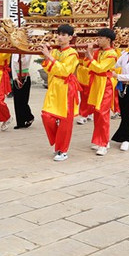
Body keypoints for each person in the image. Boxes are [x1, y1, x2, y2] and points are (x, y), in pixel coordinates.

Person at [41, 24, 80, 161]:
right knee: (46, 116)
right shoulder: (56, 51)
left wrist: (49, 57)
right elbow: (48, 68)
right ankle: (58, 142)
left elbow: (64, 71)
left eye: (64, 35)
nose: (60, 37)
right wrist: (48, 56)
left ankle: (62, 150)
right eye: (59, 34)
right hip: (54, 86)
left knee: (65, 121)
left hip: (66, 88)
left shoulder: (72, 54)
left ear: (70, 37)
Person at [85, 28, 118, 156]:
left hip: (105, 85)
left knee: (103, 114)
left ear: (108, 40)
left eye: (100, 38)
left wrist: (90, 57)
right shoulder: (98, 51)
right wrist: (89, 56)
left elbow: (100, 68)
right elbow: (88, 65)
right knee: (97, 113)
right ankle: (100, 140)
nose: (98, 40)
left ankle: (104, 143)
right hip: (97, 84)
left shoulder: (112, 54)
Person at [10, 53, 34, 129]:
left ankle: (29, 117)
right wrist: (15, 78)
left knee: (24, 100)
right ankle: (20, 122)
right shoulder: (14, 52)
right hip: (17, 78)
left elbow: (24, 63)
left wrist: (22, 55)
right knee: (17, 100)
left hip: (25, 78)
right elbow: (13, 65)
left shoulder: (27, 52)